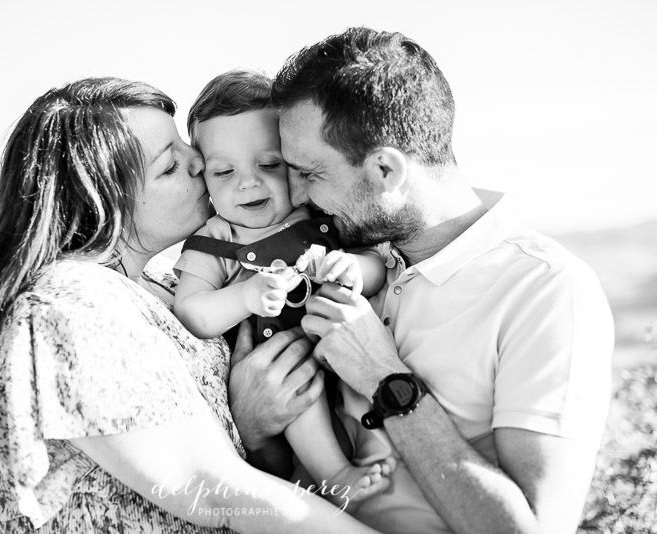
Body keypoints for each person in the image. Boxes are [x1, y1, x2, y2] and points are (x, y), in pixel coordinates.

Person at [0, 76, 382, 533]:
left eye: (185, 147)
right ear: (106, 200)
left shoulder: (157, 290)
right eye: (169, 166)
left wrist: (251, 427)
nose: (199, 162)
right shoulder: (69, 306)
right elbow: (217, 491)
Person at [232, 27, 614, 533]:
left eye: (311, 173)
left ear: (386, 169)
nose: (297, 195)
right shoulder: (341, 260)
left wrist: (385, 379)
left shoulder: (547, 290)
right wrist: (256, 433)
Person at [173, 69, 391, 510]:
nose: (246, 182)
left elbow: (379, 267)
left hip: (347, 352)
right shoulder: (216, 240)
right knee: (299, 393)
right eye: (223, 171)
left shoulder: (320, 213)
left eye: (269, 165)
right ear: (205, 178)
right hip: (280, 362)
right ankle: (335, 473)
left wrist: (353, 268)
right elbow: (191, 311)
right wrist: (244, 297)